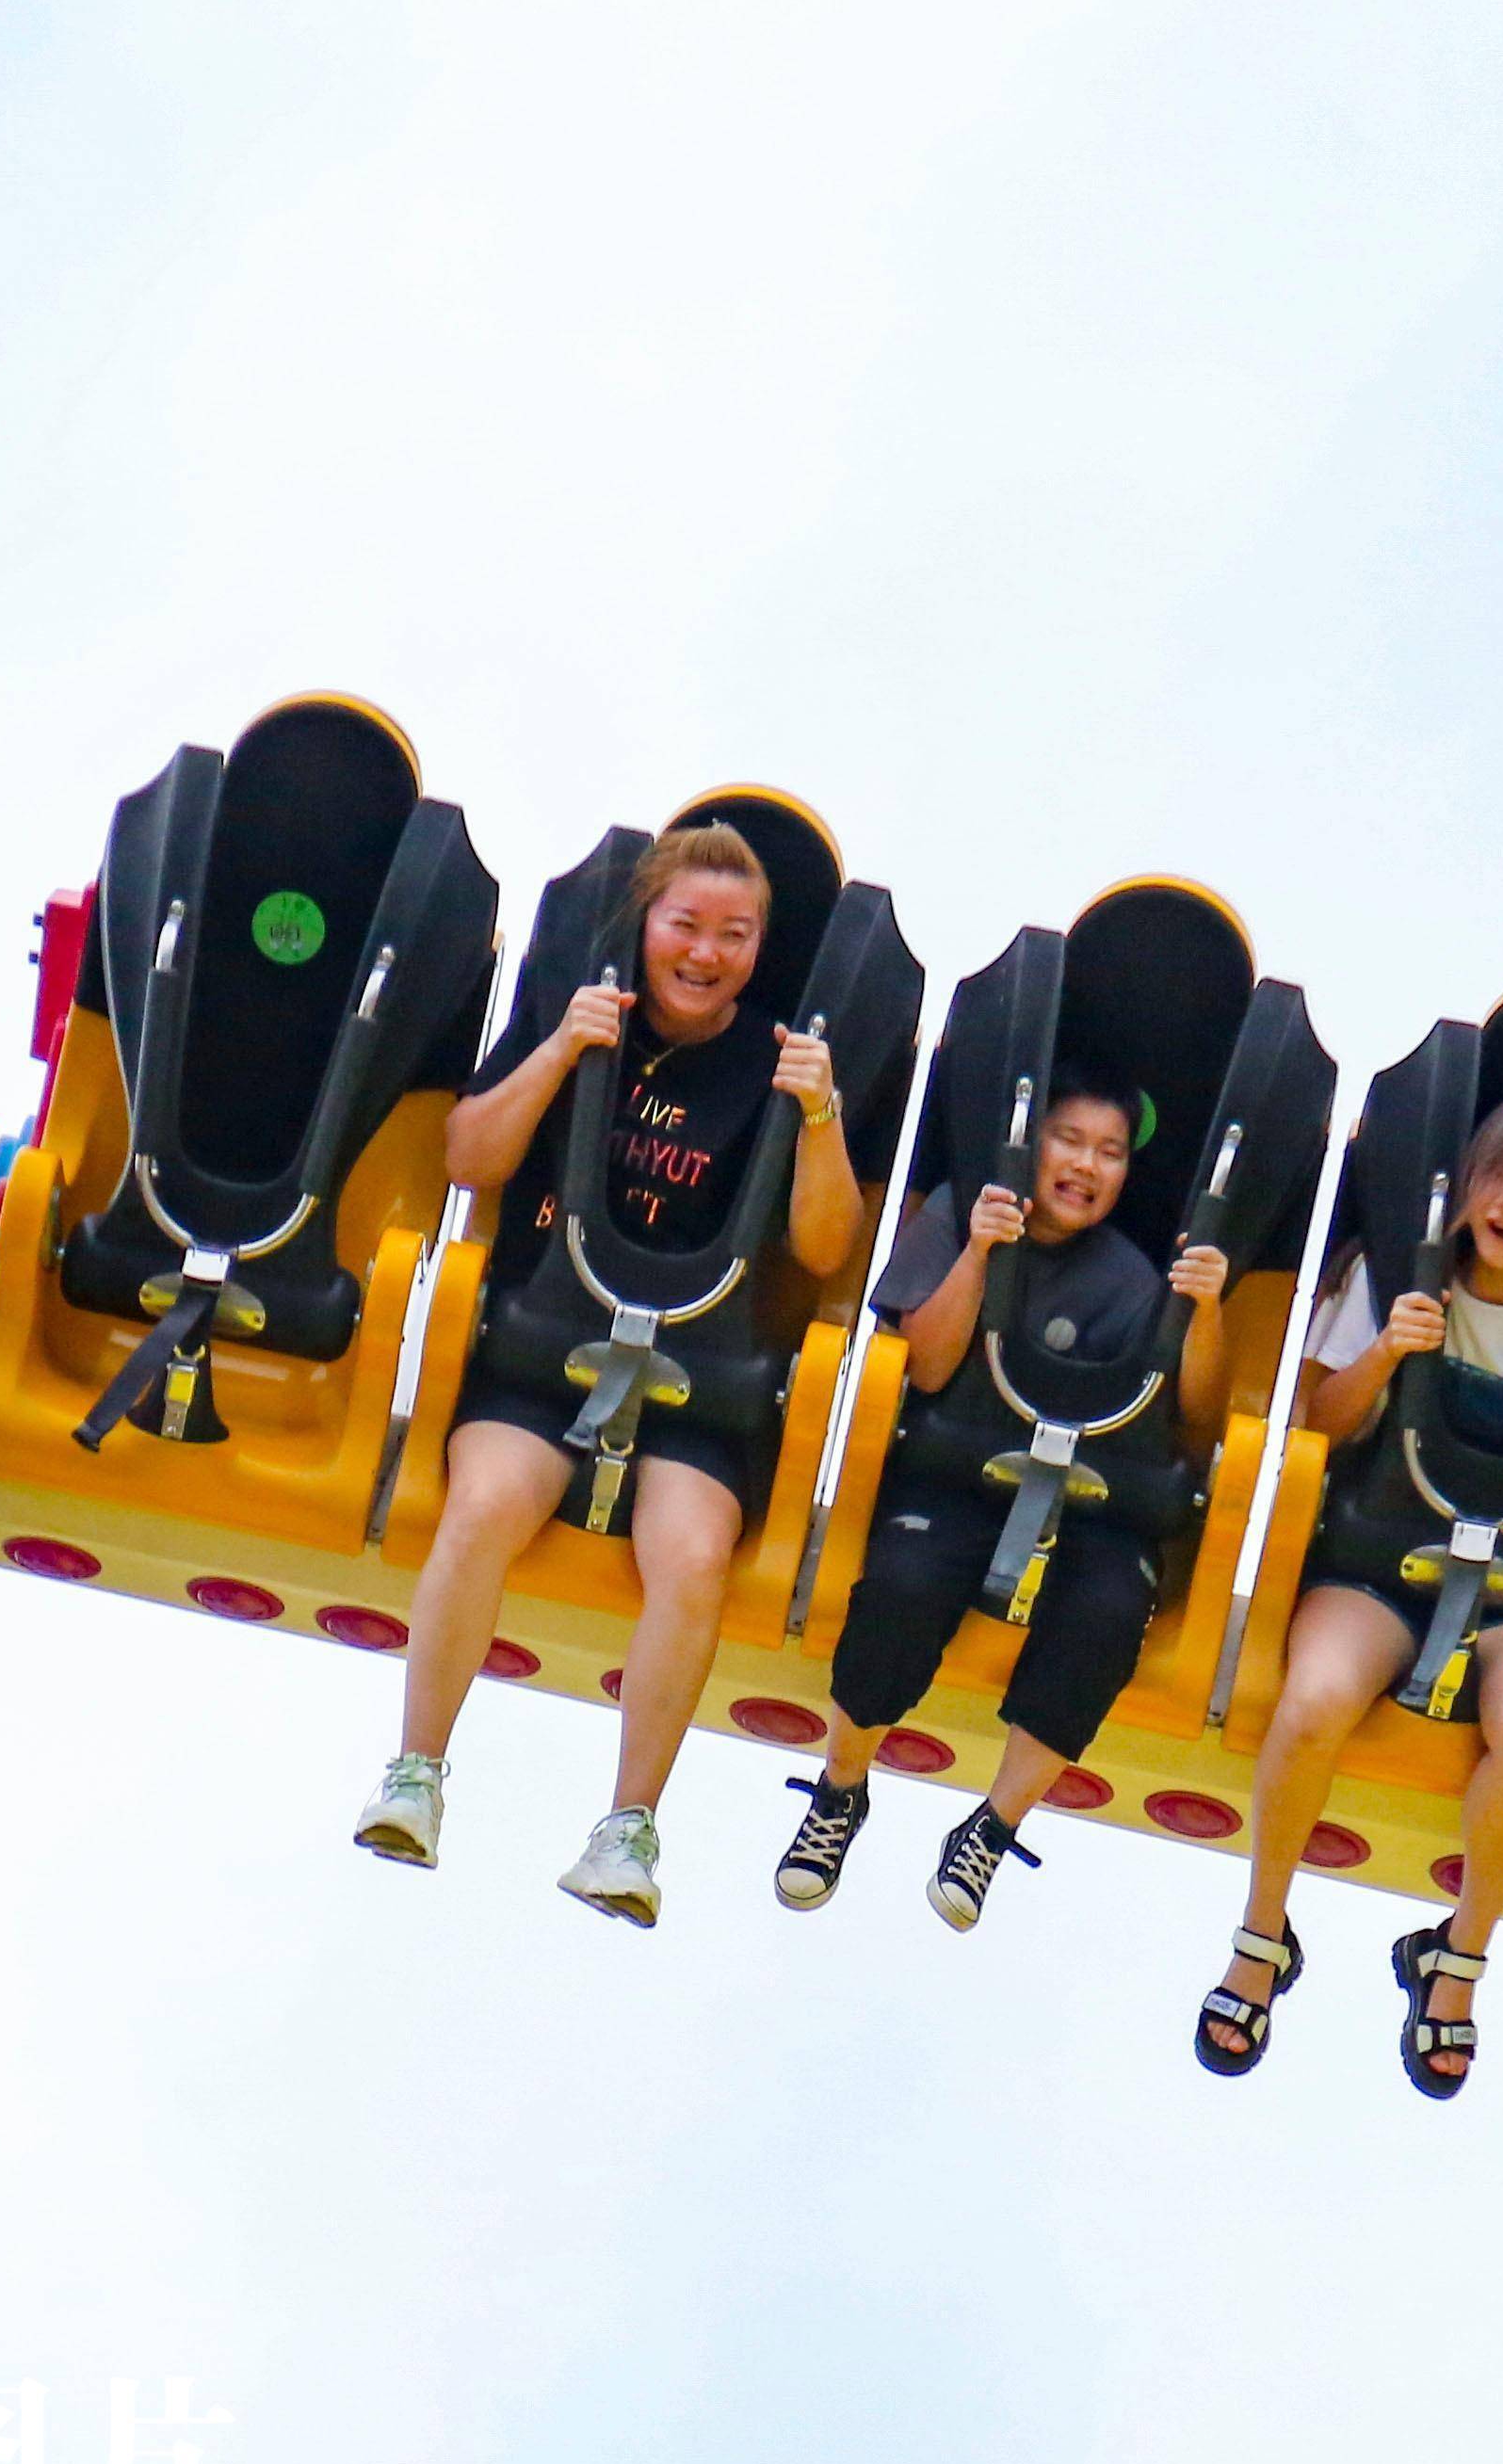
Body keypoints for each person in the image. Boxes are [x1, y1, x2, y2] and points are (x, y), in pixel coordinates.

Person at [351, 821, 866, 1918]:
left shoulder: (776, 1061)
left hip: (701, 1378)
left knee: (689, 1557)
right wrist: (558, 1052)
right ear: (645, 921)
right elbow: (467, 1158)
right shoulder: (580, 1006)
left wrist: (818, 1112)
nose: (706, 951)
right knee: (485, 1500)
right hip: (545, 1346)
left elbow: (827, 1248)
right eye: (685, 923)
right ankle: (417, 1771)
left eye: (735, 934)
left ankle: (628, 1828)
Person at [1196, 1085, 1503, 2099]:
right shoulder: (1397, 1283)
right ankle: (1261, 1933)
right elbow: (1319, 1417)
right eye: (1498, 1179)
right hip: (1382, 1555)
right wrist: (1390, 1349)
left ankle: (1456, 1958)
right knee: (1311, 1702)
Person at [775, 1061, 1234, 1928]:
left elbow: (1198, 1420)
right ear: (1029, 1143)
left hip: (1094, 1501)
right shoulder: (957, 1211)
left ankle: (992, 1824)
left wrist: (1205, 1312)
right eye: (1068, 1139)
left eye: (1108, 1152)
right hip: (954, 1470)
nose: (1086, 1166)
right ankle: (839, 1790)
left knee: (1107, 1612)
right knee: (904, 1584)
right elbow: (933, 1361)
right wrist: (983, 1252)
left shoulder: (1135, 1277)